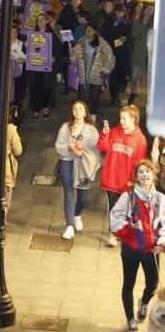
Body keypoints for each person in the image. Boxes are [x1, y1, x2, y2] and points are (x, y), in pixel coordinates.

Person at [109, 160, 165, 332]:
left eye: (148, 172)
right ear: (136, 176)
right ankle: (130, 320)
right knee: (128, 284)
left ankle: (144, 302)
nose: (145, 175)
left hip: (151, 250)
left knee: (153, 284)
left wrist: (161, 243)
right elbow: (114, 218)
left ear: (153, 175)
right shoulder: (128, 197)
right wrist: (129, 227)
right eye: (141, 172)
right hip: (131, 250)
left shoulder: (161, 199)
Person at [100, 105, 149, 247]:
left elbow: (140, 164)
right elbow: (103, 148)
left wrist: (135, 182)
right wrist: (104, 134)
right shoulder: (114, 132)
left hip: (127, 183)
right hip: (111, 180)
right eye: (120, 117)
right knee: (113, 209)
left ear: (133, 119)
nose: (121, 121)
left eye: (124, 118)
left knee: (128, 210)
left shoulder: (140, 140)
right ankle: (113, 234)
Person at [54, 100, 101, 240]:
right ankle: (69, 226)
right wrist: (68, 148)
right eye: (75, 109)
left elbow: (96, 151)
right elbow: (58, 145)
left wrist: (83, 153)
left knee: (83, 197)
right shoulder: (65, 127)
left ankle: (77, 214)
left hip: (83, 166)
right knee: (68, 194)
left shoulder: (91, 130)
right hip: (67, 163)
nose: (77, 111)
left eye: (80, 109)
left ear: (85, 112)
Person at [72, 24, 115, 119]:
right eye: (86, 30)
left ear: (95, 31)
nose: (88, 32)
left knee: (94, 99)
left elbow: (110, 57)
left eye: (90, 30)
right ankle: (84, 119)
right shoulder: (80, 43)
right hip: (84, 76)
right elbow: (74, 60)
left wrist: (105, 69)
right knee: (83, 99)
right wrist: (72, 55)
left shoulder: (102, 43)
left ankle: (93, 119)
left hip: (96, 76)